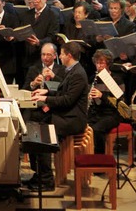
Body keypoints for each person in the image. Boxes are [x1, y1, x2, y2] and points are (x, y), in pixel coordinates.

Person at [30, 42, 89, 191]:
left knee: (42, 134)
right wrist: (46, 92)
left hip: (72, 119)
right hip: (66, 114)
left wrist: (46, 99)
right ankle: (38, 173)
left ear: (69, 55)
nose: (60, 57)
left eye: (61, 54)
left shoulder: (78, 74)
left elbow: (67, 100)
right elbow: (62, 92)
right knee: (34, 123)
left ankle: (47, 180)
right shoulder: (72, 70)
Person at [16, 0, 60, 86]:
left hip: (41, 59)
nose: (34, 1)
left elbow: (53, 37)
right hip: (26, 58)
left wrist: (39, 42)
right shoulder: (26, 14)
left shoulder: (52, 15)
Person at [87, 49, 123, 154]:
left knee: (96, 130)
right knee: (80, 125)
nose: (99, 66)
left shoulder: (116, 80)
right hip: (96, 113)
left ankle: (100, 161)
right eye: (97, 63)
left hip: (111, 115)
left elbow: (119, 103)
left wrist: (102, 96)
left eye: (102, 63)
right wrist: (89, 97)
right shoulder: (93, 78)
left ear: (108, 64)